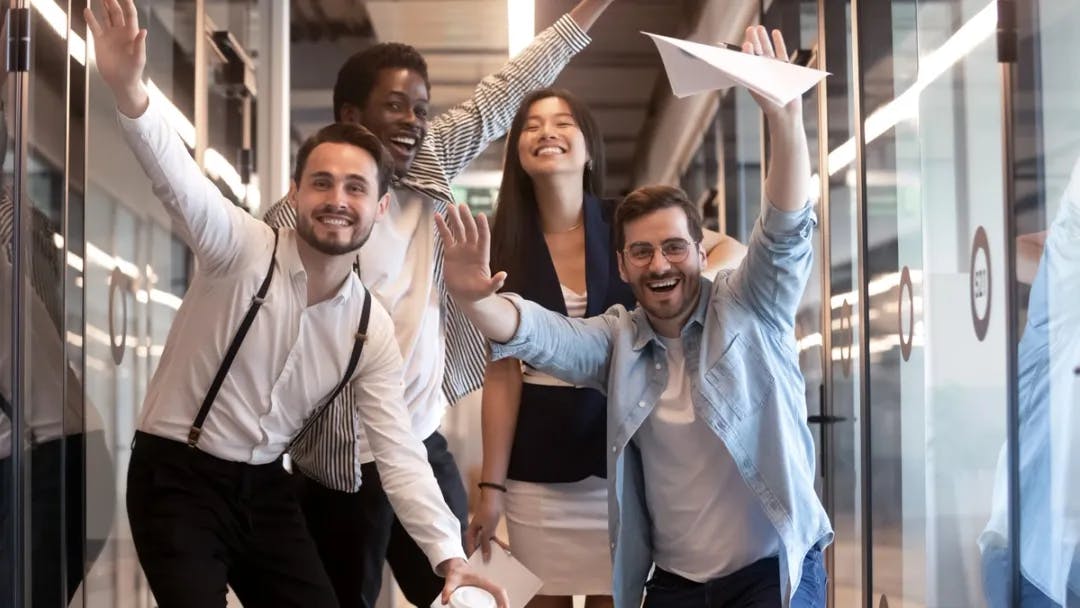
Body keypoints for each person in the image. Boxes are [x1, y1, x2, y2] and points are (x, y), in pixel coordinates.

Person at [84, 1, 505, 607]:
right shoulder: (239, 248)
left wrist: (448, 557)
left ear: (380, 209)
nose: (339, 199)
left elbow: (399, 453)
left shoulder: (369, 329)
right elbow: (173, 176)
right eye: (323, 183)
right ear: (296, 193)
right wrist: (130, 89)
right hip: (176, 477)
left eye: (357, 187)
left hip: (263, 484)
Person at [436, 26, 832, 608]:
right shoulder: (618, 340)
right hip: (669, 577)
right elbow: (539, 336)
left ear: (701, 250)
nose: (659, 263)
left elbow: (784, 229)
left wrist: (785, 118)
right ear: (622, 265)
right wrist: (475, 300)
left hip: (768, 570)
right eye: (642, 253)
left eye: (675, 248)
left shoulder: (747, 307)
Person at [261, 3, 615, 606]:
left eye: (420, 109)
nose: (411, 121)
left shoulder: (428, 165)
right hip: (338, 459)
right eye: (393, 106)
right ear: (351, 116)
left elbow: (504, 93)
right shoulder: (301, 216)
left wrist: (586, 11)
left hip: (422, 442)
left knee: (476, 596)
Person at [466, 87, 745, 608]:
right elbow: (501, 375)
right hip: (538, 464)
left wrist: (677, 281)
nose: (547, 132)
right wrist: (490, 491)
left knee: (612, 600)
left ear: (589, 149)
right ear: (518, 155)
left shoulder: (626, 224)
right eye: (532, 126)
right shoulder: (504, 242)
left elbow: (729, 248)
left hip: (624, 453)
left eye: (563, 122)